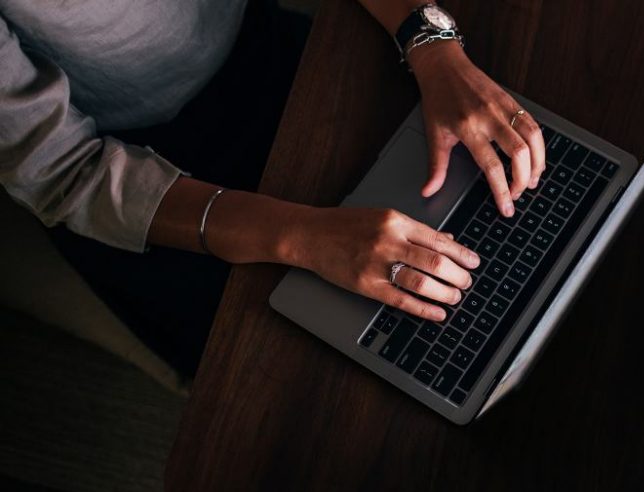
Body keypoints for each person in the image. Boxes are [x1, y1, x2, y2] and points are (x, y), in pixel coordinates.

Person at [0, 0, 545, 377]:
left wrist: (431, 45)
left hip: (262, 46)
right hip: (144, 183)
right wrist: (301, 235)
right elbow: (64, 169)